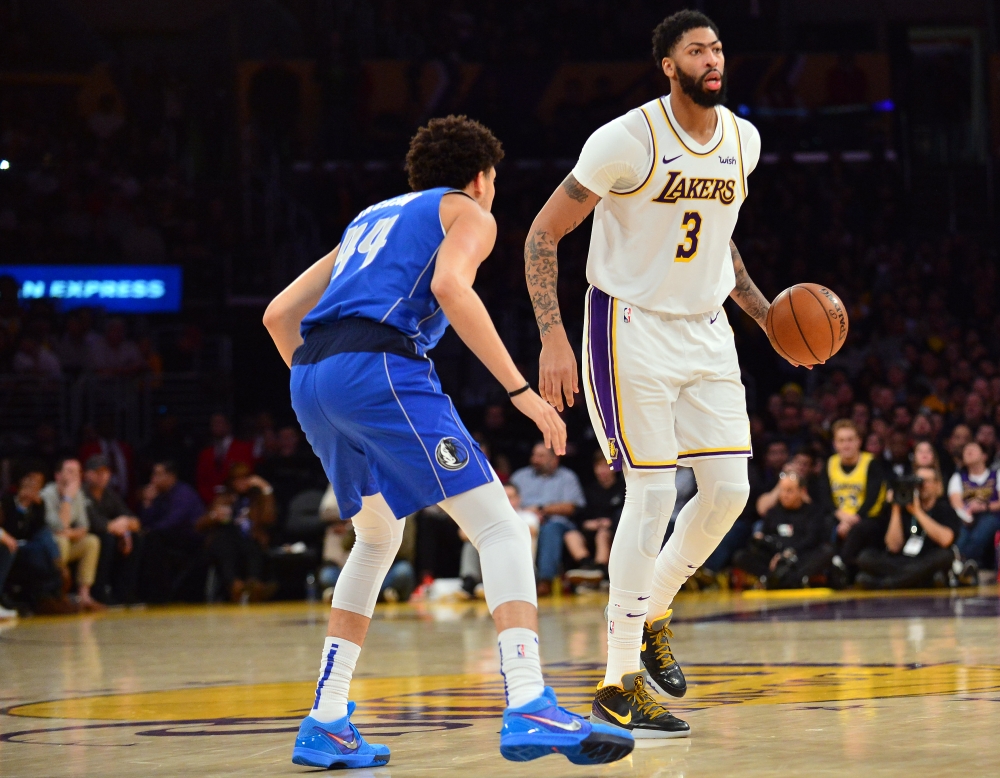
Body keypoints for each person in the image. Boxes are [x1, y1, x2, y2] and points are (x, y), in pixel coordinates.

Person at [264, 115, 633, 768]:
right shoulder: (468, 212)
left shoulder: (365, 222)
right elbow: (448, 288)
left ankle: (325, 718)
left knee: (376, 539)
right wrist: (521, 392)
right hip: (376, 366)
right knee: (501, 528)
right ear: (482, 177)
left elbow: (277, 314)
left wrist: (327, 386)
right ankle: (528, 701)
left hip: (311, 374)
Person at [524, 10, 788, 737]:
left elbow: (722, 248)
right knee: (649, 493)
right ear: (668, 65)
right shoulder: (624, 139)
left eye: (718, 48)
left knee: (730, 490)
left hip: (705, 329)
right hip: (627, 325)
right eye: (697, 50)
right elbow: (544, 232)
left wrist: (764, 317)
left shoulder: (744, 140)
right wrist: (552, 337)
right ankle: (617, 682)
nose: (713, 59)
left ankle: (654, 610)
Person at [855, 466, 963, 589]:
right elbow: (893, 546)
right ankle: (918, 581)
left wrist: (918, 512)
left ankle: (884, 584)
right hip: (903, 561)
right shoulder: (903, 507)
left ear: (938, 485)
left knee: (945, 556)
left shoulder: (944, 508)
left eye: (927, 481)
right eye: (919, 481)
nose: (923, 485)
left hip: (926, 559)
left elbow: (946, 540)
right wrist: (896, 509)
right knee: (866, 557)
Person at [731, 472, 833, 589]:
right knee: (740, 556)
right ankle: (775, 578)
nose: (785, 495)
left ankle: (786, 579)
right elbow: (766, 537)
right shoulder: (773, 513)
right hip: (775, 557)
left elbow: (812, 540)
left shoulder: (813, 512)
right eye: (782, 490)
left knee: (826, 552)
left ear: (802, 491)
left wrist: (789, 553)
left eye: (790, 491)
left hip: (799, 557)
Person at [510, 442, 588, 594]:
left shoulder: (567, 477)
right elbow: (508, 501)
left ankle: (545, 580)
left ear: (554, 459)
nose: (535, 459)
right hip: (525, 520)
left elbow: (571, 507)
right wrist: (530, 513)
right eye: (534, 455)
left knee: (550, 529)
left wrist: (542, 509)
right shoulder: (520, 477)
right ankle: (516, 580)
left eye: (541, 456)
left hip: (556, 522)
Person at [818, 420, 888, 582]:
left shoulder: (871, 463)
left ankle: (840, 567)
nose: (846, 445)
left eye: (850, 440)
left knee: (860, 529)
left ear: (859, 441)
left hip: (866, 518)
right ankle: (828, 568)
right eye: (841, 441)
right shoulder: (830, 464)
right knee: (825, 523)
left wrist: (853, 520)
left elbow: (874, 498)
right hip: (840, 516)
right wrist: (841, 516)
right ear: (835, 444)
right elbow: (824, 496)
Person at [197, 462, 277, 602]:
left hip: (251, 539)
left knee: (253, 544)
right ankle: (235, 585)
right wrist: (214, 517)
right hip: (228, 541)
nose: (242, 482)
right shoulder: (224, 498)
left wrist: (266, 489)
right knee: (224, 542)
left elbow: (269, 520)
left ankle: (254, 585)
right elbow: (199, 525)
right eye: (237, 479)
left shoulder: (257, 498)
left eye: (245, 478)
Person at [0, 466, 73, 615]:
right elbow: (10, 529)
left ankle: (47, 596)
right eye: (31, 480)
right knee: (40, 553)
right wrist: (21, 506)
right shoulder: (7, 499)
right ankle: (53, 586)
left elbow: (36, 530)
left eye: (39, 482)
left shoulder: (39, 504)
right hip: (12, 543)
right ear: (22, 479)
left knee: (42, 542)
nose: (34, 485)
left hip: (28, 545)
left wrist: (30, 507)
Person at [40, 457, 105, 611]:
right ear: (57, 476)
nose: (75, 475)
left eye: (78, 471)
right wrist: (67, 499)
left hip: (67, 540)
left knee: (91, 541)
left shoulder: (78, 493)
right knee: (60, 541)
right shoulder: (47, 495)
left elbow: (84, 527)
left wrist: (68, 533)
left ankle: (84, 595)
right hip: (48, 546)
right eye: (70, 471)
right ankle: (58, 594)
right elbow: (57, 526)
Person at [138, 461, 205, 602]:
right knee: (147, 540)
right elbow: (147, 522)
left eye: (157, 474)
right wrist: (147, 503)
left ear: (171, 476)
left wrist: (149, 531)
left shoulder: (183, 493)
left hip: (191, 539)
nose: (153, 479)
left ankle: (159, 595)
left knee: (153, 538)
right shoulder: (160, 495)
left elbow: (173, 521)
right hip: (169, 538)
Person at [460, 482, 539, 597]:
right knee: (471, 543)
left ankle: (491, 586)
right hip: (492, 565)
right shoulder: (488, 516)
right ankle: (469, 581)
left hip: (521, 569)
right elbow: (463, 534)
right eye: (503, 497)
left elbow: (528, 531)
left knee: (507, 540)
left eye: (510, 497)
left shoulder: (528, 516)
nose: (507, 501)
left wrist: (488, 529)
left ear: (518, 499)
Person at [83, 454, 142, 604]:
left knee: (136, 538)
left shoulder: (110, 495)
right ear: (87, 474)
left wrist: (126, 527)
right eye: (97, 472)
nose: (102, 476)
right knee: (105, 539)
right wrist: (121, 528)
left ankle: (124, 593)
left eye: (106, 472)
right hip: (87, 536)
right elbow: (96, 524)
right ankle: (98, 592)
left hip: (111, 535)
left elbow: (134, 521)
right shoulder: (81, 494)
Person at [567, 451, 626, 585]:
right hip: (591, 528)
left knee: (602, 535)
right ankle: (586, 565)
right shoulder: (588, 490)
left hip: (613, 530)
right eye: (598, 467)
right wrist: (587, 523)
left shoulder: (623, 488)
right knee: (570, 535)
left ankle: (600, 569)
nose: (601, 471)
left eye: (605, 466)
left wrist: (610, 523)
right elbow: (580, 514)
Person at [947, 441, 1000, 569]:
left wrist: (983, 507)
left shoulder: (996, 474)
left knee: (986, 524)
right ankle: (960, 562)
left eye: (973, 449)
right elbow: (956, 502)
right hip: (966, 518)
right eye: (966, 451)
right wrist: (967, 515)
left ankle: (962, 561)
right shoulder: (957, 478)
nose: (969, 452)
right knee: (962, 533)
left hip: (992, 514)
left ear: (984, 456)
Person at [194, 413, 255, 504]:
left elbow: (248, 475)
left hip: (238, 502)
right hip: (211, 503)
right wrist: (214, 501)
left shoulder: (244, 448)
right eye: (214, 423)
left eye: (220, 422)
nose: (216, 426)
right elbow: (201, 482)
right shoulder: (205, 454)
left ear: (228, 425)